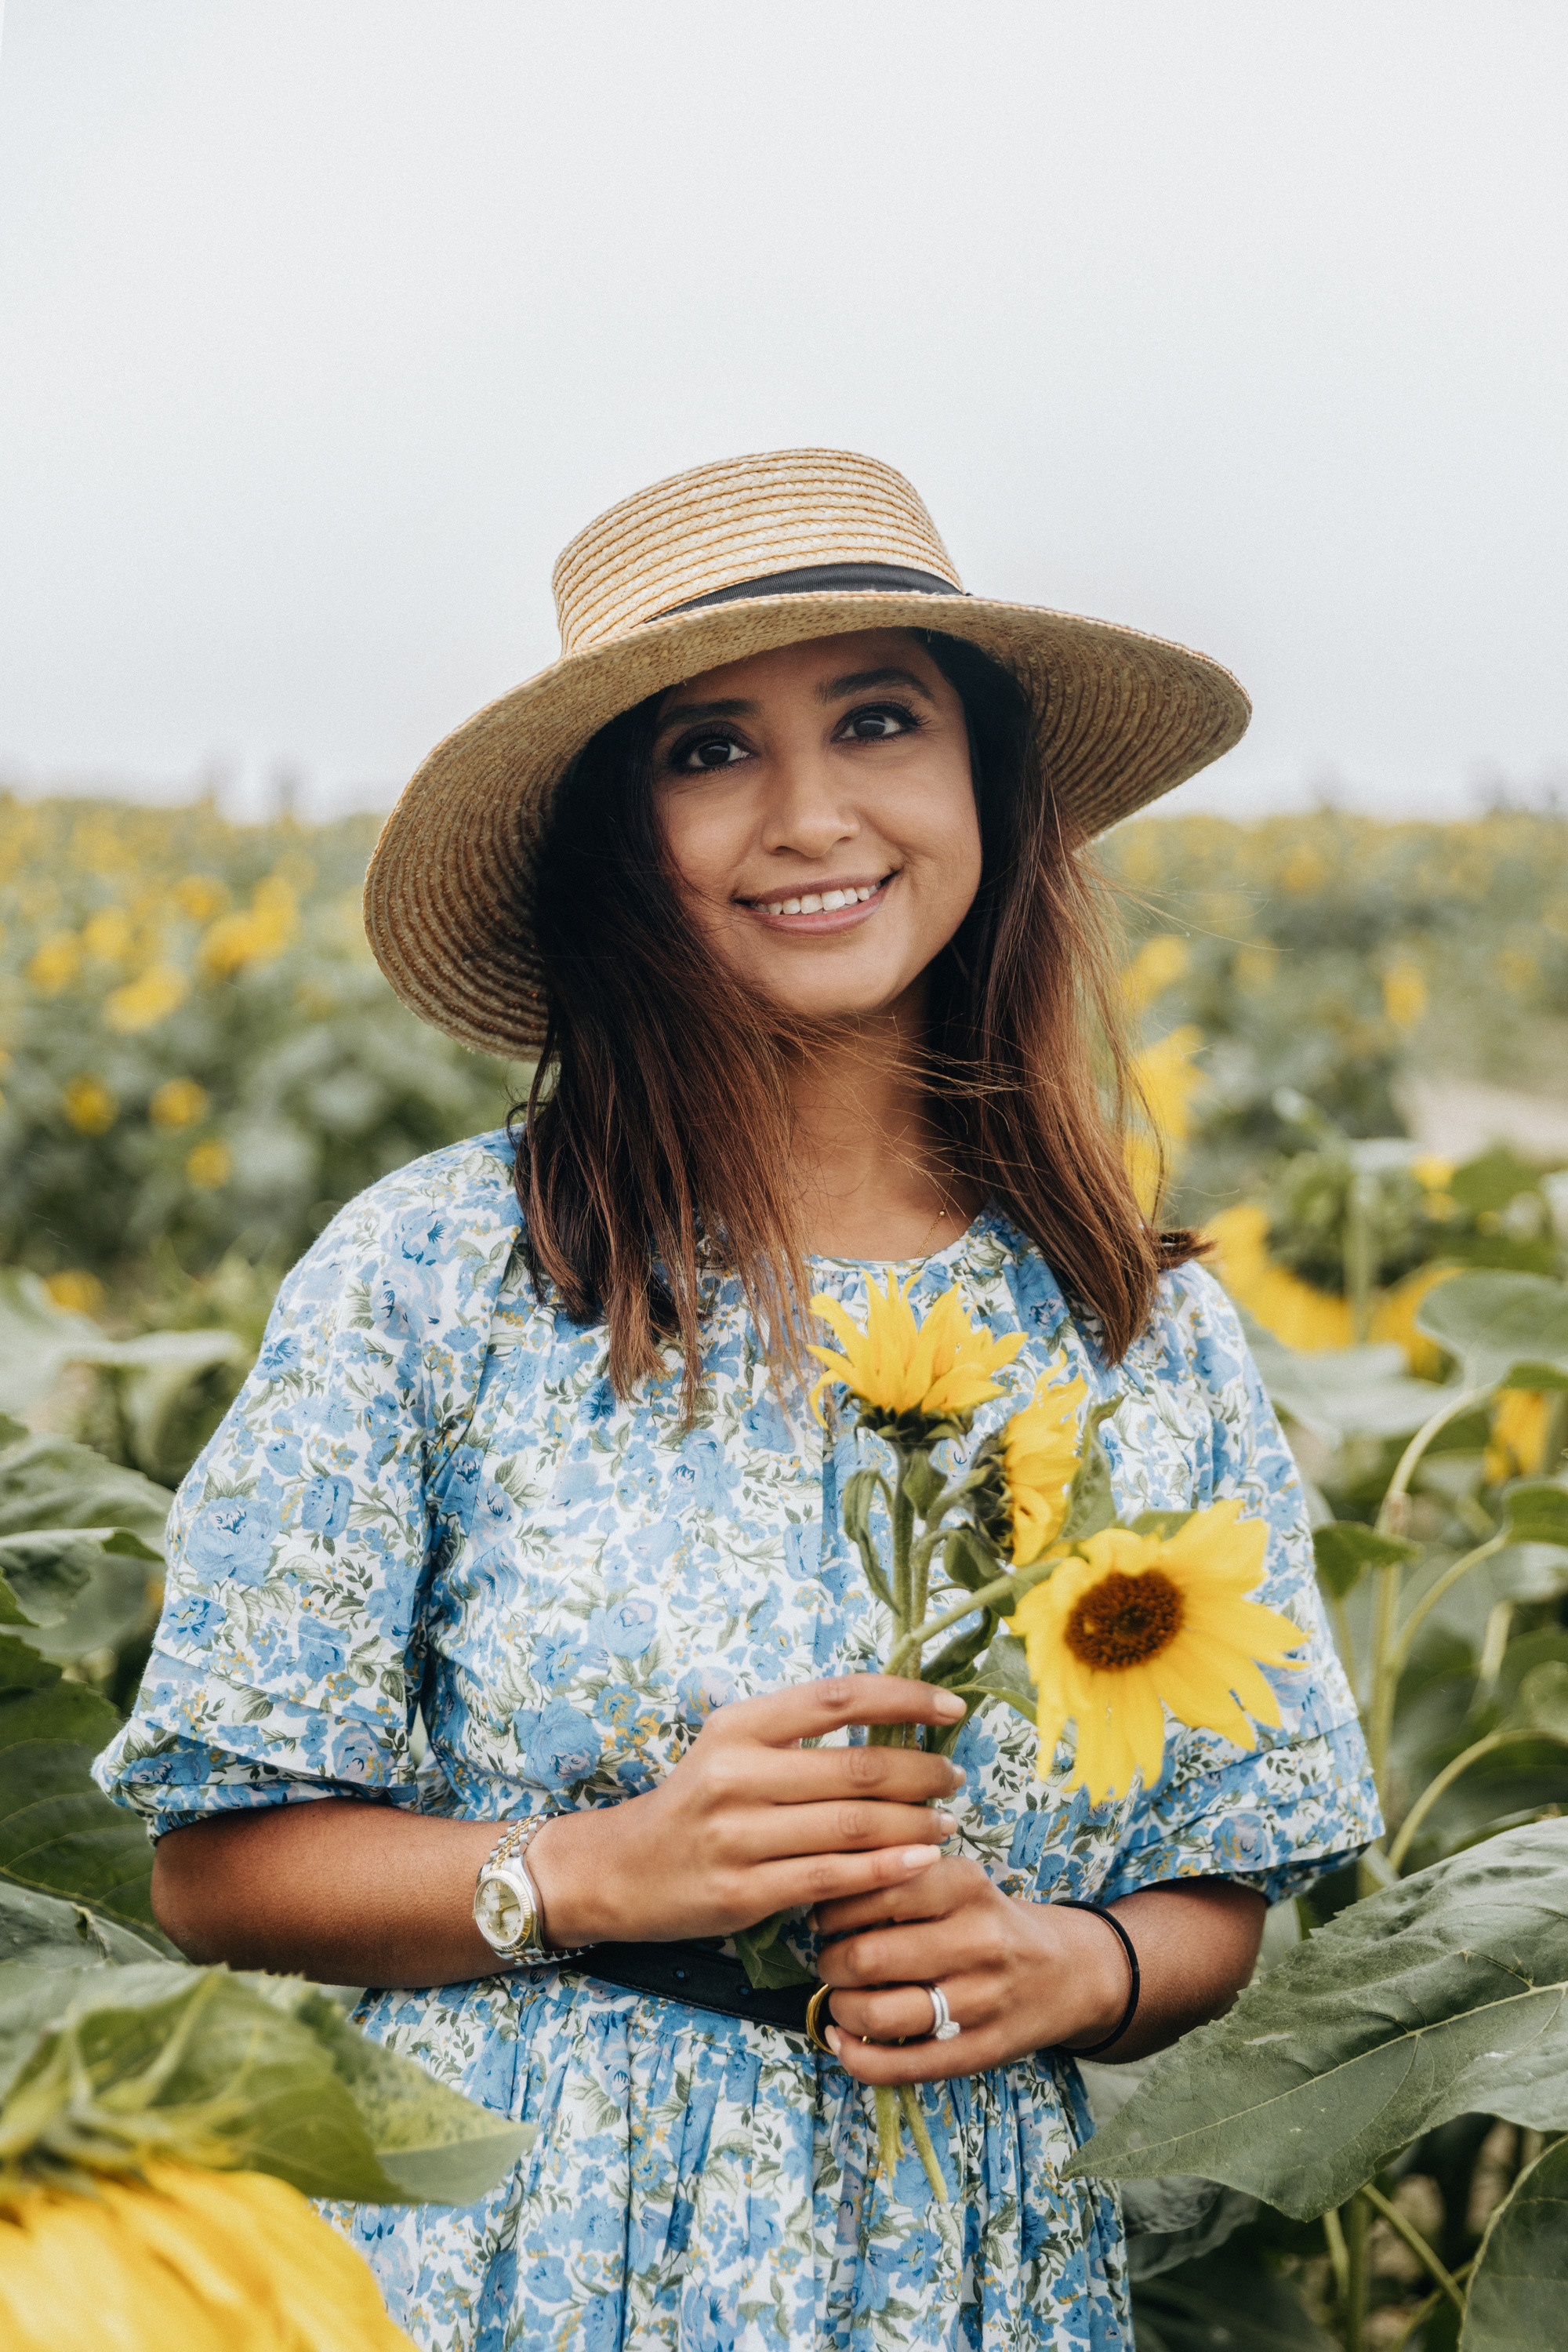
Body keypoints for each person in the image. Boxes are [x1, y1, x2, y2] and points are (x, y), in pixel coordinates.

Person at [96, 448, 1379, 2352]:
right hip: (516, 2258)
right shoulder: (438, 1274)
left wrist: (1073, 1965)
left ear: (978, 784)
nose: (809, 815)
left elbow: (1227, 1877)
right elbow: (214, 1862)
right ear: (623, 833)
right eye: (709, 751)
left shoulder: (1128, 1322)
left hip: (959, 2273)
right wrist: (591, 1873)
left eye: (878, 719)